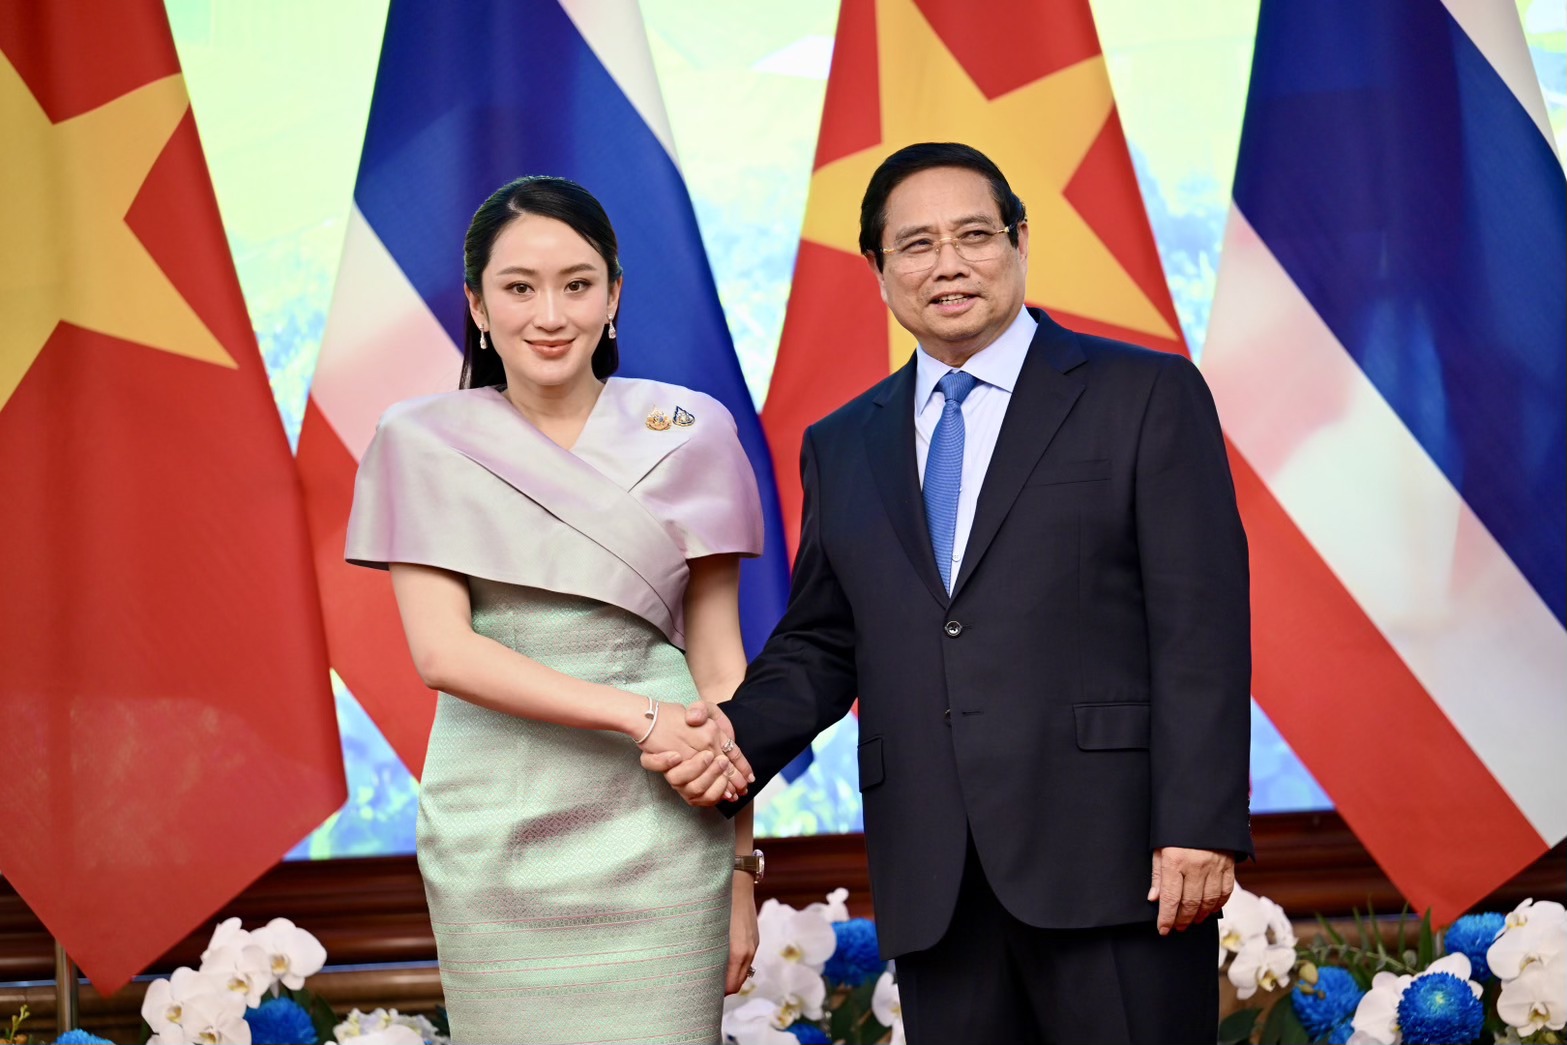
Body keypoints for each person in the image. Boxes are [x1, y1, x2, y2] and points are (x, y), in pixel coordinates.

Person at [646, 143, 1253, 1043]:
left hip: (1118, 866)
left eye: (973, 235)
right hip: (934, 879)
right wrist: (723, 743)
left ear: (1018, 241)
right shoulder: (843, 442)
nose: (948, 264)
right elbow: (822, 642)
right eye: (916, 244)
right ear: (878, 268)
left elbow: (1199, 624)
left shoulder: (1144, 394)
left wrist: (1199, 821)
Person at [344, 175, 764, 1044]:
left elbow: (722, 667)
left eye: (577, 285)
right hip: (496, 829)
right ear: (477, 304)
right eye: (519, 287)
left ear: (613, 297)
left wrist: (740, 869)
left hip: (666, 826)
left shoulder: (692, 429)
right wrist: (641, 715)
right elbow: (444, 653)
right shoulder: (420, 439)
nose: (549, 314)